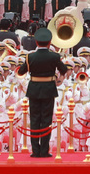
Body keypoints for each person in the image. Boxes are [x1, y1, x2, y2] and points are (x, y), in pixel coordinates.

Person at [17, 27, 67, 158]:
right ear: (50, 42)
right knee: (46, 120)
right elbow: (64, 69)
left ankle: (35, 150)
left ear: (36, 42)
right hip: (49, 89)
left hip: (34, 89)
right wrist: (59, 79)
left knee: (34, 120)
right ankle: (44, 151)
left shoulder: (30, 56)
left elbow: (21, 72)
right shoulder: (55, 56)